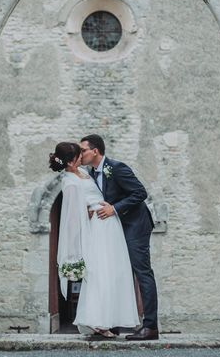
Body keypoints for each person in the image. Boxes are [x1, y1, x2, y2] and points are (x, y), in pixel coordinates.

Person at [50, 142, 140, 337]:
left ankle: (108, 318)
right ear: (72, 160)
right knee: (100, 273)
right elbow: (72, 218)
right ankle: (97, 321)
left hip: (109, 224)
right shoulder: (70, 182)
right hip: (98, 227)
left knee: (114, 271)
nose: (83, 156)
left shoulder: (82, 173)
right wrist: (75, 248)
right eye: (79, 154)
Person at [79, 134, 159, 341]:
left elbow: (140, 193)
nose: (81, 154)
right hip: (114, 229)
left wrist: (114, 209)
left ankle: (150, 326)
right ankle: (111, 326)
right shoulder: (89, 172)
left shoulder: (116, 168)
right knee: (115, 272)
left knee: (142, 272)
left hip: (135, 225)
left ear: (95, 151)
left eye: (83, 150)